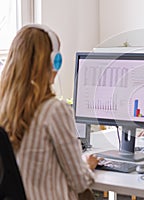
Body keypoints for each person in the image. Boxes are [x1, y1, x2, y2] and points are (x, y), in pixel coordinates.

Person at [0, 24, 100, 199]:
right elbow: (79, 181)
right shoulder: (54, 111)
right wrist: (87, 165)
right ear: (53, 62)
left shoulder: (3, 107)